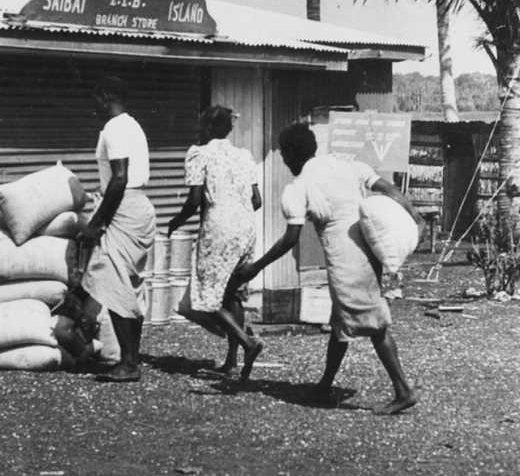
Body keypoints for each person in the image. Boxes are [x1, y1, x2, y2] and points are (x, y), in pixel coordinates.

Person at [231, 123, 420, 415]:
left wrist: (255, 267)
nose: (284, 161)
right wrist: (412, 213)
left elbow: (289, 240)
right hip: (367, 250)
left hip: (345, 260)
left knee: (374, 323)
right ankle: (324, 385)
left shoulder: (299, 187)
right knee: (340, 321)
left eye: (283, 155)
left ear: (291, 155)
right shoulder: (344, 164)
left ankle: (403, 390)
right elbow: (388, 188)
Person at [167, 105, 264, 378]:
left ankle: (248, 343)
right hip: (246, 229)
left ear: (208, 128)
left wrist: (175, 222)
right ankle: (233, 362)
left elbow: (194, 201)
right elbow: (257, 201)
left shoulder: (199, 154)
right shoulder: (244, 156)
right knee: (231, 293)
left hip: (218, 229)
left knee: (208, 296)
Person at [76, 76, 156, 383]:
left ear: (107, 96)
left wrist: (97, 224)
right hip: (139, 207)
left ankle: (128, 362)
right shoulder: (133, 125)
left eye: (97, 99)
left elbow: (119, 178)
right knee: (129, 285)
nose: (94, 107)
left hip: (124, 208)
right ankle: (131, 358)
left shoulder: (115, 128)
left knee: (114, 281)